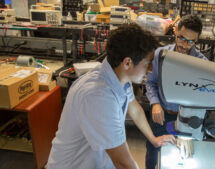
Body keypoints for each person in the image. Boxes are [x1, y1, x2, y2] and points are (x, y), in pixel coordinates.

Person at [47, 23, 175, 169]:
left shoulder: (118, 76)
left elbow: (135, 110)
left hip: (97, 161)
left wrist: (153, 139)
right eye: (147, 64)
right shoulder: (98, 95)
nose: (151, 69)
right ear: (128, 62)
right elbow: (122, 162)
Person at [145, 14, 208, 169]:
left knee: (181, 158)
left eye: (191, 41)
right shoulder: (161, 54)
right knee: (154, 153)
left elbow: (202, 98)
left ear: (197, 40)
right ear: (175, 31)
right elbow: (151, 82)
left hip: (186, 119)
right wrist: (155, 104)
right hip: (161, 115)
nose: (185, 45)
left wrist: (189, 128)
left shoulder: (203, 64)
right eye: (181, 38)